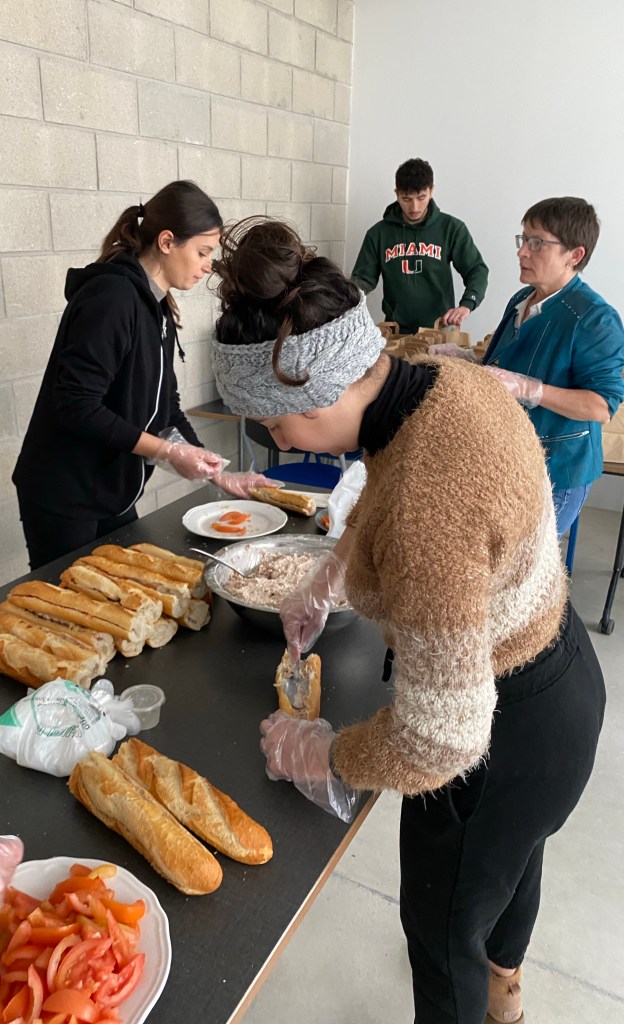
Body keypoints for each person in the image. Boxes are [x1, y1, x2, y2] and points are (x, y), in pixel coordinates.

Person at [211, 216, 606, 1024]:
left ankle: (479, 997)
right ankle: (506, 996)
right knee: (510, 868)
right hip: (561, 679)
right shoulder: (443, 382)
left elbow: (440, 740)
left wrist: (327, 754)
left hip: (503, 734)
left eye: (275, 421)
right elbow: (391, 474)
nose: (274, 437)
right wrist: (330, 573)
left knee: (441, 929)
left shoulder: (428, 515)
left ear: (323, 391)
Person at [12, 180, 271, 569]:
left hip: (111, 490)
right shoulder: (112, 299)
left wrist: (219, 474)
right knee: (71, 599)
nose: (208, 266)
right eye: (202, 252)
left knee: (129, 582)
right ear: (167, 242)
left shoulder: (157, 306)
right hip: (65, 494)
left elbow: (166, 407)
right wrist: (166, 451)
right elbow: (76, 405)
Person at [479, 197, 624, 536]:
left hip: (556, 471)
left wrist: (532, 390)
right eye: (523, 239)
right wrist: (468, 361)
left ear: (575, 255)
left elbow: (601, 406)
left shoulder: (595, 319)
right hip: (511, 457)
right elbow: (505, 367)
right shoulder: (522, 299)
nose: (522, 252)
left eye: (537, 243)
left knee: (525, 562)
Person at [351, 157, 488, 333]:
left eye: (421, 197)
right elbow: (362, 281)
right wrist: (341, 304)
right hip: (396, 331)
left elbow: (476, 270)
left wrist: (467, 304)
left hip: (440, 329)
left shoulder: (451, 228)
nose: (414, 207)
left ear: (431, 191)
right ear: (396, 194)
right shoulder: (378, 234)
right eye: (406, 199)